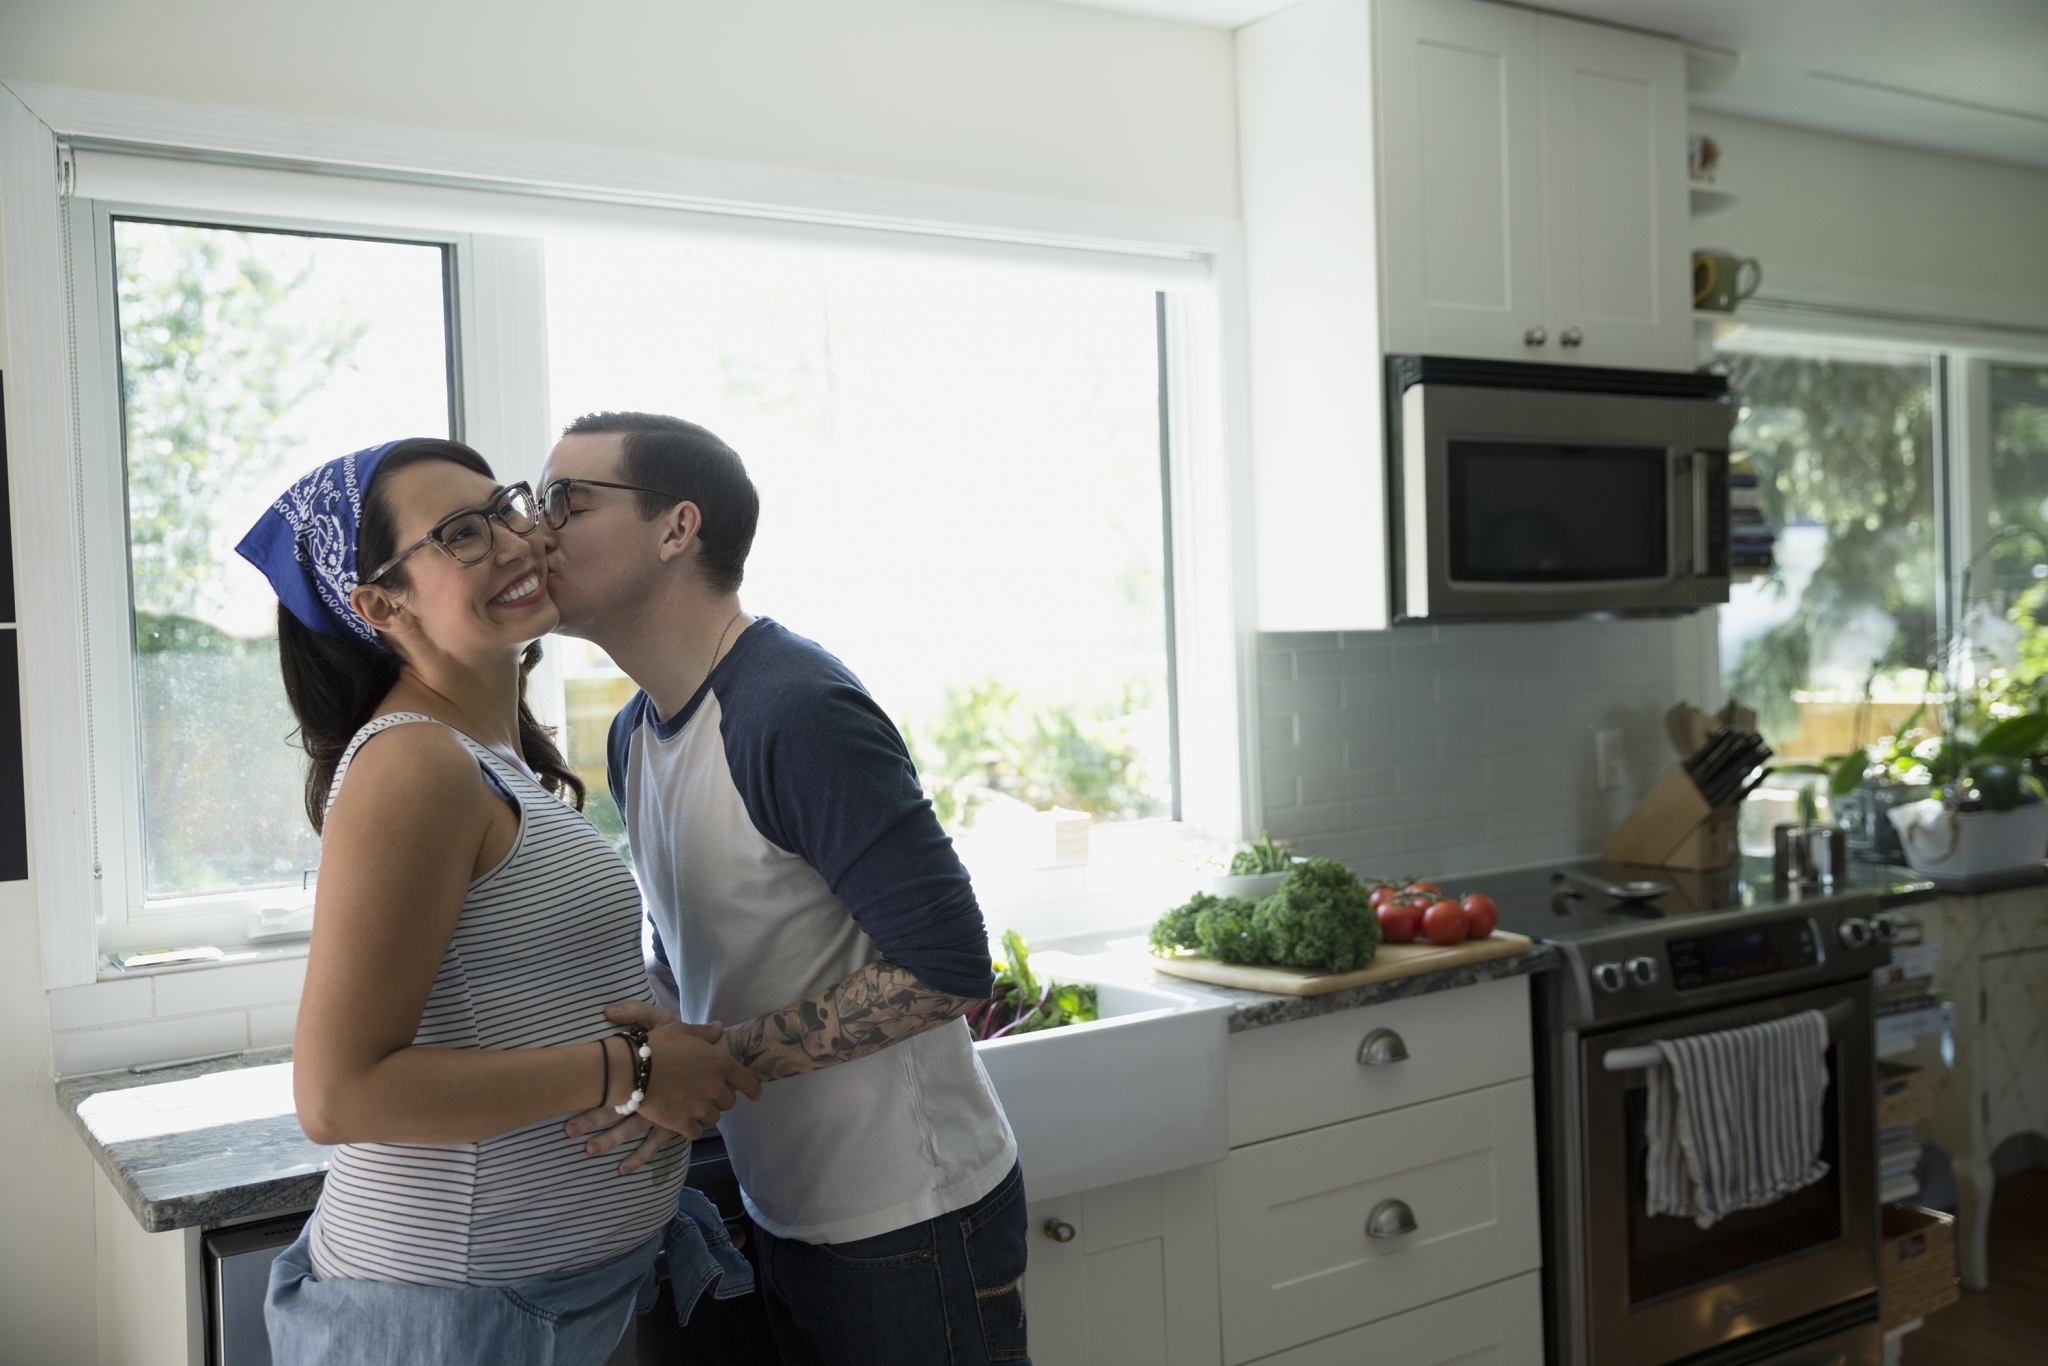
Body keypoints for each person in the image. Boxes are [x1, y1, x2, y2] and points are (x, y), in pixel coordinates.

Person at [236, 437, 763, 1365]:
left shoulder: (491, 754)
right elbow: (338, 1094)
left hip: (528, 1309)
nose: (517, 541)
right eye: (461, 534)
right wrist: (632, 1068)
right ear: (380, 603)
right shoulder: (413, 764)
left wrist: (664, 1041)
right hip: (449, 1322)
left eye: (508, 508)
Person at [539, 412, 1029, 1366]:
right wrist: (641, 1055)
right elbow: (695, 952)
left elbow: (948, 966)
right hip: (788, 1205)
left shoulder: (792, 710)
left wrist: (705, 1060)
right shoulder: (635, 735)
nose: (537, 530)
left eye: (568, 500)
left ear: (676, 529)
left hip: (912, 1219)